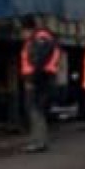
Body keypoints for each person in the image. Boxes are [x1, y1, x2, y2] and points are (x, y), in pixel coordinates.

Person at [17, 16, 64, 154]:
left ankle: (39, 142)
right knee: (36, 111)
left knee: (36, 111)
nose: (22, 34)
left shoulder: (40, 39)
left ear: (28, 29)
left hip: (40, 80)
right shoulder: (38, 39)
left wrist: (32, 80)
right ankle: (38, 141)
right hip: (40, 79)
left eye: (23, 31)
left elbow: (38, 61)